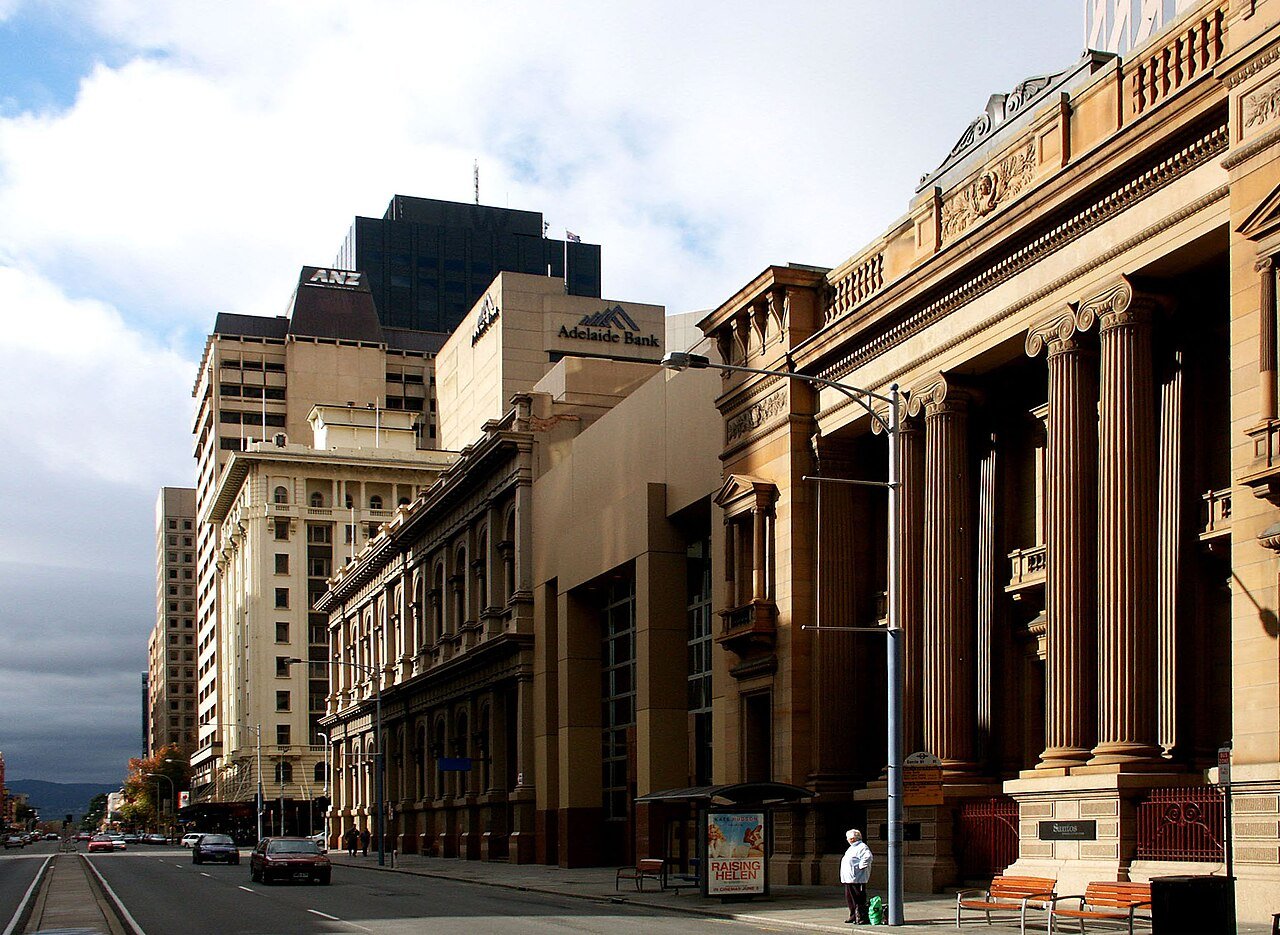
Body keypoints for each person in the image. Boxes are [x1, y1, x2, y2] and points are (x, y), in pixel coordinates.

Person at [840, 828, 873, 925]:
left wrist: (860, 867)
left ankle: (861, 916)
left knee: (858, 898)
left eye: (848, 838)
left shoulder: (862, 847)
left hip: (857, 878)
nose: (847, 840)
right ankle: (853, 915)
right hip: (849, 878)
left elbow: (868, 857)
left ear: (852, 839)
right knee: (850, 898)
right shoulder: (852, 848)